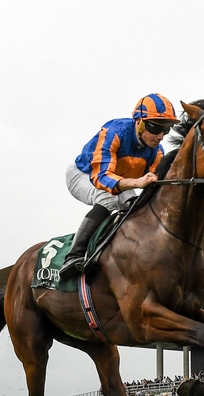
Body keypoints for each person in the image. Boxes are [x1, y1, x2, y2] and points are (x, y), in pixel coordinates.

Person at [59, 93, 179, 279]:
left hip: (118, 179)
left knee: (134, 204)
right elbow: (102, 178)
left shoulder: (157, 152)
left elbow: (157, 189)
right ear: (138, 122)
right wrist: (138, 183)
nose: (161, 136)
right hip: (83, 174)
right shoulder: (114, 132)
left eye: (167, 129)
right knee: (107, 199)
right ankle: (73, 256)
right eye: (156, 128)